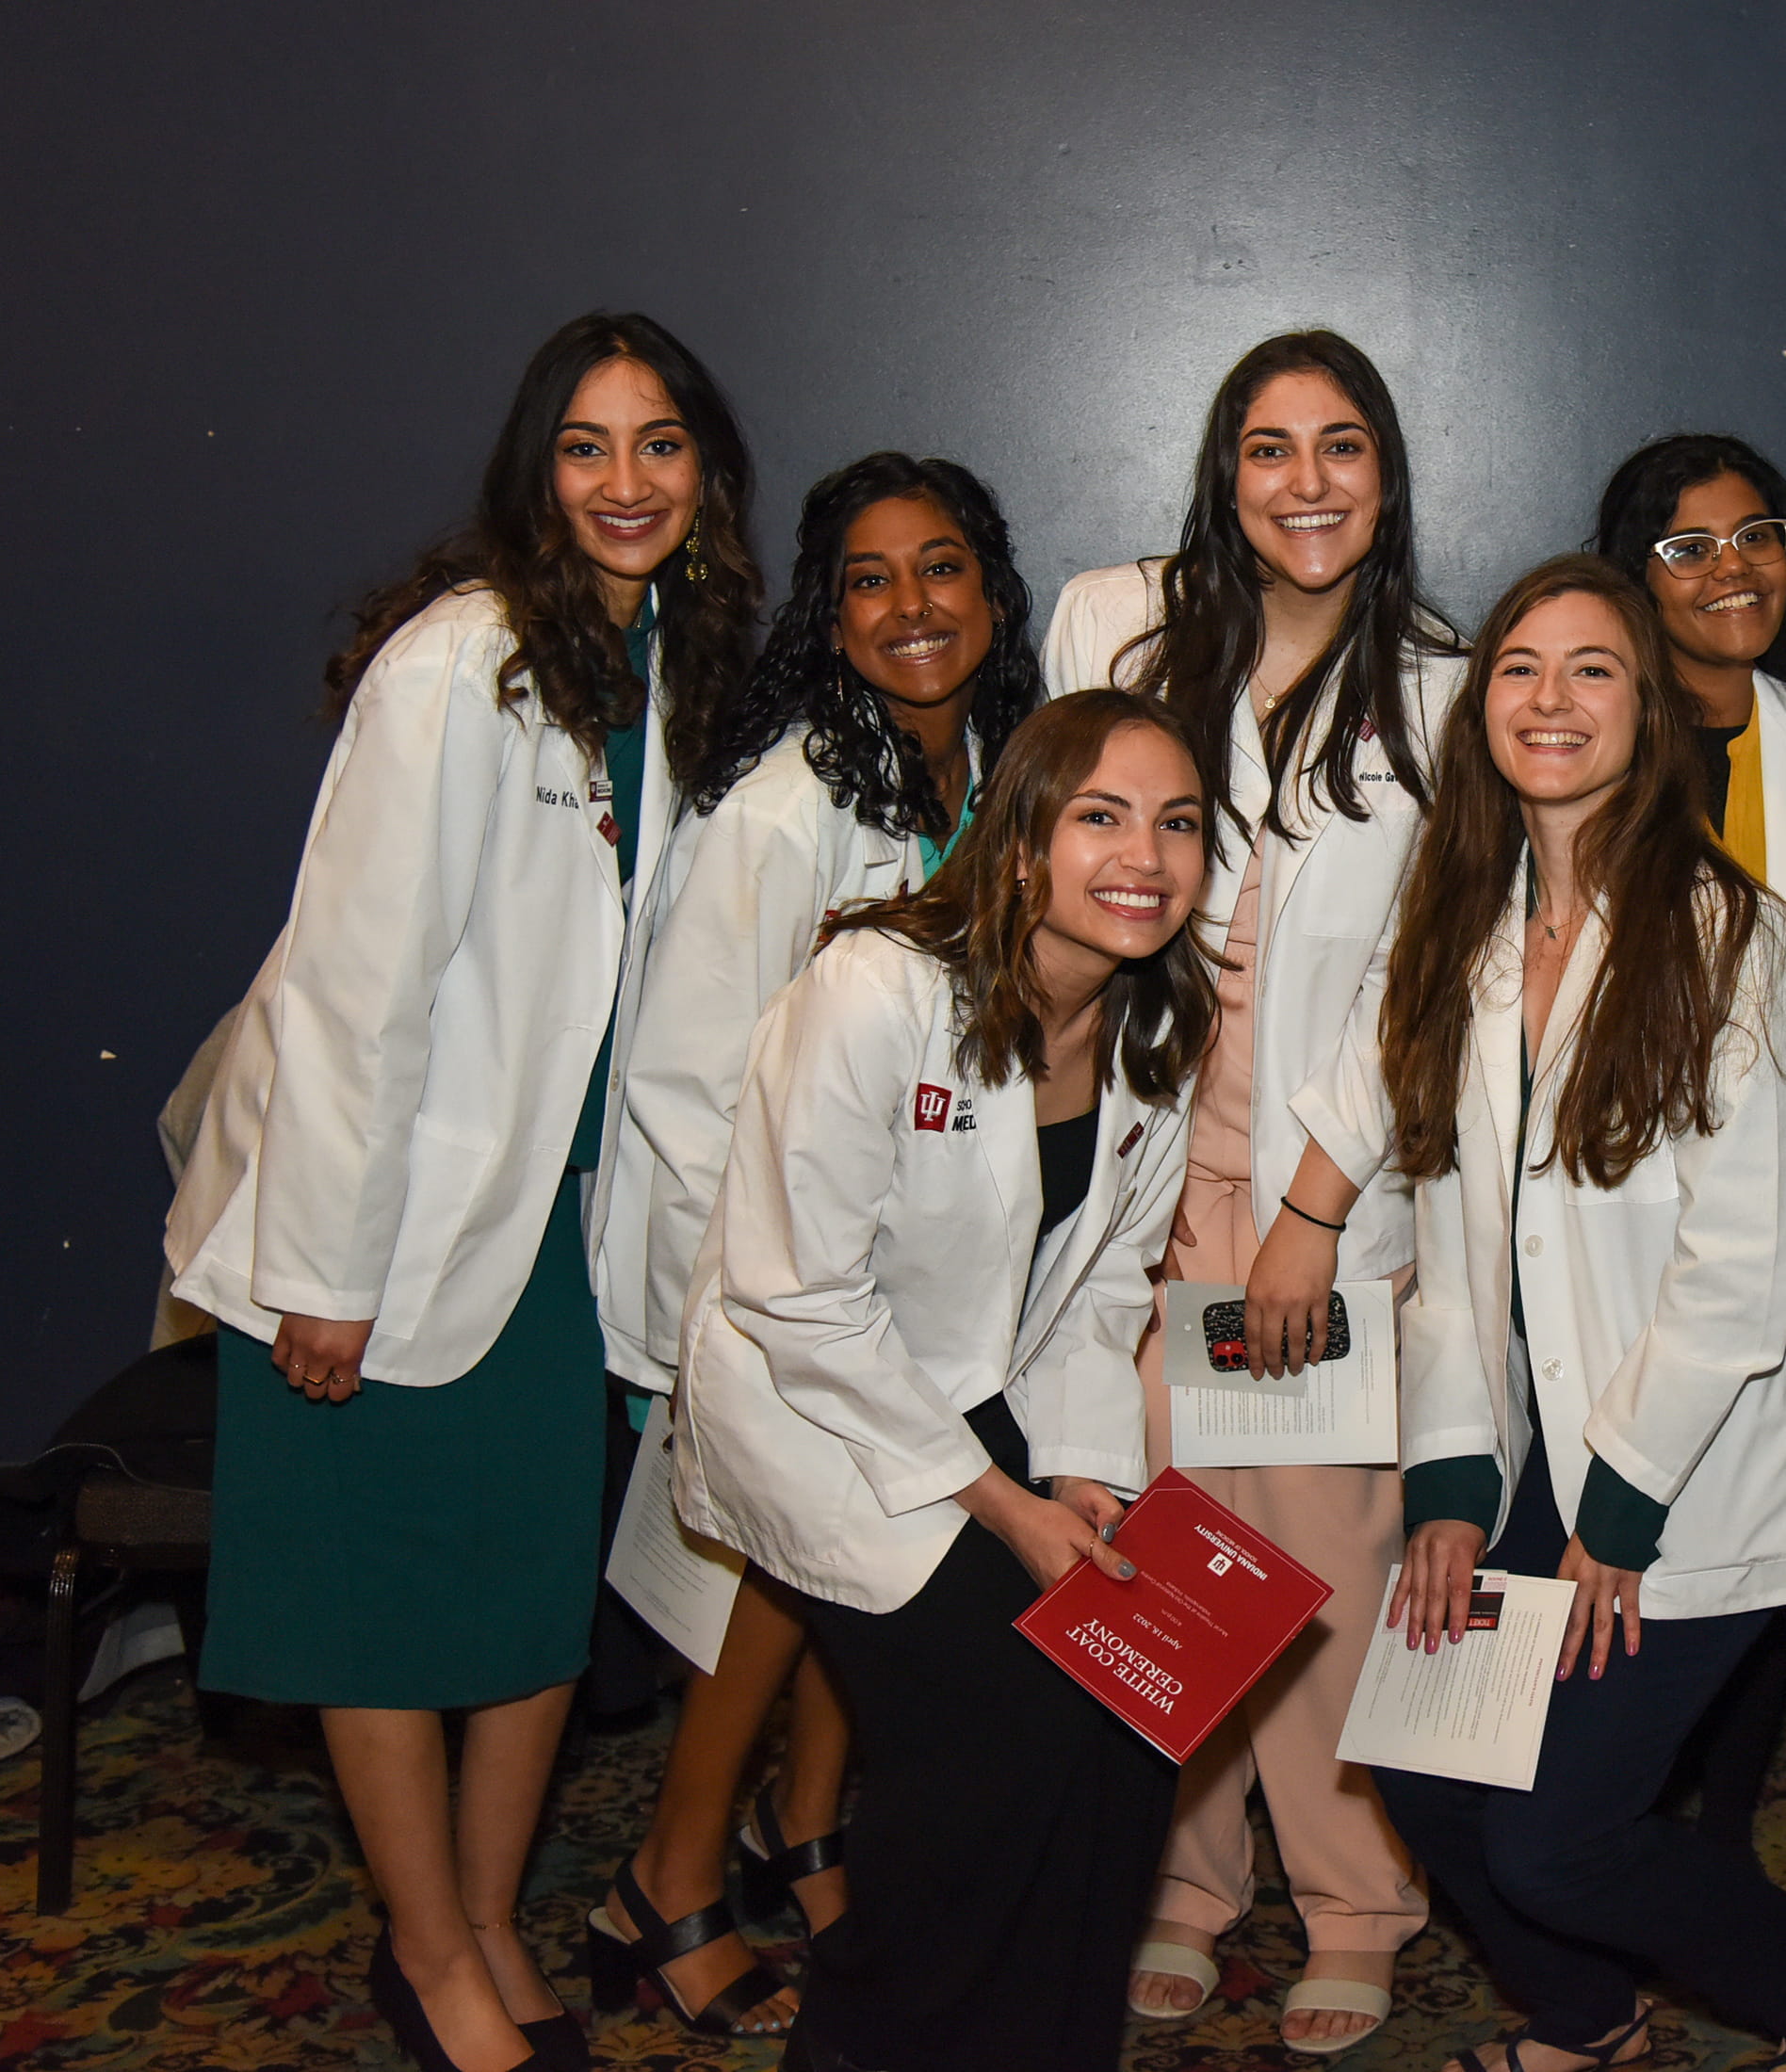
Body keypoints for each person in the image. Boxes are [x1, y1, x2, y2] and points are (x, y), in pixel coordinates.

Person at [165, 311, 762, 2072]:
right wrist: (328, 1274)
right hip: (376, 1226)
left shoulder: (667, 666)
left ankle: (492, 1923)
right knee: (380, 1608)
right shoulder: (460, 662)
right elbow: (358, 998)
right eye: (587, 446)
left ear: (706, 477)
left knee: (520, 1610)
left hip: (549, 1229)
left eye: (661, 446)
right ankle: (427, 1954)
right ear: (535, 472)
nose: (627, 482)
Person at [1293, 556, 1786, 2072]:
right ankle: (1588, 2024)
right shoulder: (1462, 935)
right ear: (1480, 705)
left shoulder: (1728, 937)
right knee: (1424, 1776)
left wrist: (1617, 1510)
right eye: (1519, 669)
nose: (1549, 701)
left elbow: (1748, 1270)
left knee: (1560, 1847)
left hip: (1673, 1472)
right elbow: (1450, 1247)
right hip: (1512, 1456)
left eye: (1592, 672)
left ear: (1647, 712)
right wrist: (1446, 1488)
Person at [669, 689, 1215, 2072]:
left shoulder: (1153, 1028)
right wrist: (1013, 1509)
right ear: (1022, 836)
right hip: (821, 1403)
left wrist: (1086, 1476)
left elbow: (1102, 1288)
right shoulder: (877, 988)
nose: (1143, 853)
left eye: (1178, 823)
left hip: (996, 1397)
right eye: (1100, 815)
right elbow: (794, 1295)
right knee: (997, 1758)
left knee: (1140, 1723)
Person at [585, 452, 1044, 2034]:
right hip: (777, 1278)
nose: (912, 606)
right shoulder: (786, 806)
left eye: (942, 569)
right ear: (827, 611)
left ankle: (810, 1825)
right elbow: (684, 1083)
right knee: (783, 1578)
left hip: (915, 1271)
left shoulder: (994, 774)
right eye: (870, 576)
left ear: (992, 590)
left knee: (884, 1556)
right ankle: (667, 1874)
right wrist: (781, 1305)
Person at [1042, 329, 1460, 2055]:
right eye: (1272, 449)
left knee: (1321, 1559)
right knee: (1153, 1542)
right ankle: (1188, 1885)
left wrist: (1308, 1210)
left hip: (1316, 1196)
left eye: (1343, 446)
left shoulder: (1442, 687)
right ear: (1225, 472)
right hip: (1142, 1181)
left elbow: (1425, 980)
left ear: (1387, 474)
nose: (1309, 483)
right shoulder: (1123, 632)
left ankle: (1358, 1903)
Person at [1586, 433, 1786, 1853]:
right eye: (1686, 545)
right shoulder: (1587, 744)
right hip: (1609, 1214)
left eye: (1754, 533)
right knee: (1616, 1502)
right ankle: (1607, 1820)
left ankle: (1718, 1839)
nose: (1728, 568)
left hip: (1783, 1219)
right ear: (1633, 577)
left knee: (1755, 1529)